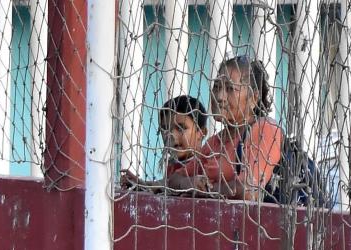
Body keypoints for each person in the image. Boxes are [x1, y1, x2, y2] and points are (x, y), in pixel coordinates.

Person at [177, 56, 284, 201]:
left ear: (254, 98)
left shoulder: (265, 130)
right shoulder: (214, 143)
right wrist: (188, 183)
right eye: (216, 87)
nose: (220, 97)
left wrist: (207, 190)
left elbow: (248, 190)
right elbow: (175, 178)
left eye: (230, 89)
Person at [121, 95, 208, 192]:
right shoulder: (172, 163)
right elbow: (166, 184)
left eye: (181, 128)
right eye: (165, 129)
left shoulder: (206, 163)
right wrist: (141, 184)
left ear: (201, 132)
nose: (172, 135)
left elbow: (167, 185)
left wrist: (146, 185)